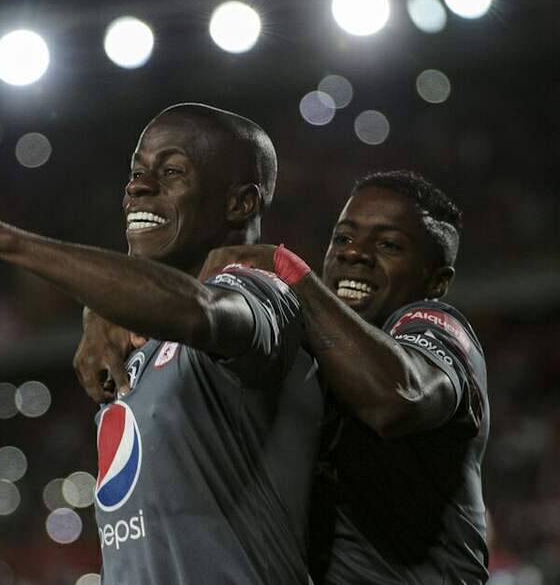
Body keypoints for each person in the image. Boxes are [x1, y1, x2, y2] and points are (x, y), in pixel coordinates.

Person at [0, 103, 323, 583]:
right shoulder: (138, 338)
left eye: (170, 172)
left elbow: (201, 311)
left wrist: (1, 239)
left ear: (241, 204)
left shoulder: (264, 295)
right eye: (136, 172)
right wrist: (103, 311)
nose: (138, 187)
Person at [78, 170, 490, 583]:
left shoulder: (431, 329)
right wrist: (105, 310)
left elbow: (398, 398)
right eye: (343, 238)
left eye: (389, 245)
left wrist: (288, 271)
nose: (355, 254)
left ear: (436, 281)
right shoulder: (308, 349)